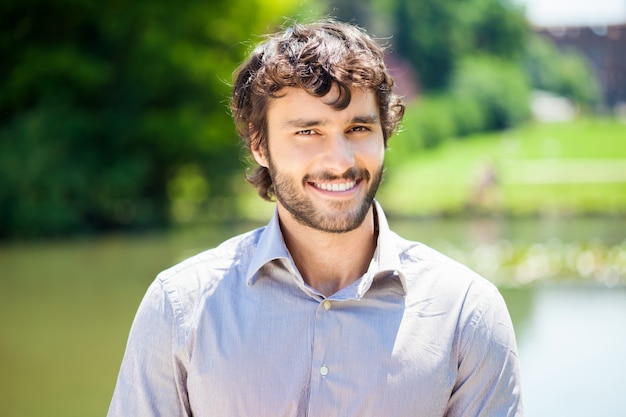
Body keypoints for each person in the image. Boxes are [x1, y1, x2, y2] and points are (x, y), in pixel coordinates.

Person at [107, 20, 523, 417]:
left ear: (385, 134)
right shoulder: (179, 307)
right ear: (259, 145)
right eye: (308, 132)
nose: (340, 161)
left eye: (359, 128)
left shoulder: (467, 314)